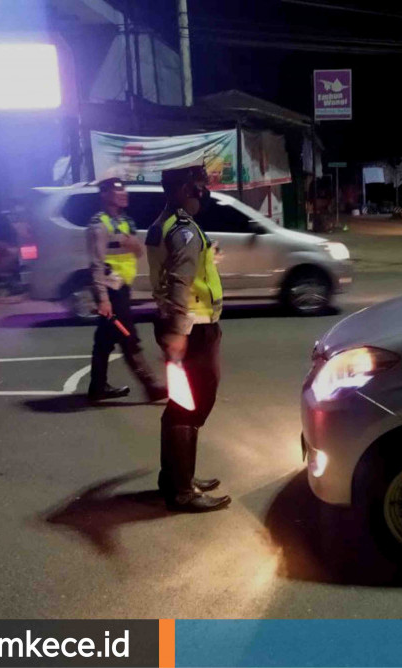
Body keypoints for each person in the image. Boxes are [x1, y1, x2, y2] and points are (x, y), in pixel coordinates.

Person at [145, 165, 230, 513]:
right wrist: (180, 334)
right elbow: (180, 282)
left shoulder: (166, 222)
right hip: (192, 328)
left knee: (180, 403)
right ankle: (182, 491)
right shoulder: (183, 231)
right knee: (193, 403)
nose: (202, 194)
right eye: (197, 188)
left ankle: (175, 477)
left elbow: (177, 270)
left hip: (178, 324)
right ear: (182, 190)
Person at [86, 178, 167, 403]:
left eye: (124, 189)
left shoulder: (124, 222)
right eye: (117, 190)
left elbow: (137, 253)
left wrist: (135, 247)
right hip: (111, 293)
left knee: (103, 340)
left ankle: (98, 388)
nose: (124, 193)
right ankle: (150, 386)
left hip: (122, 289)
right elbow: (96, 265)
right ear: (104, 194)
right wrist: (103, 299)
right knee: (128, 336)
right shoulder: (99, 225)